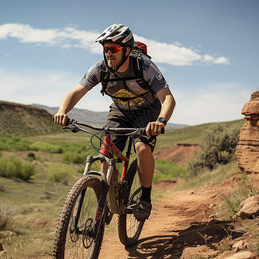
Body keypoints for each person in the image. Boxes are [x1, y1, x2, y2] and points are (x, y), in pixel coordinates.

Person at [53, 24, 176, 221]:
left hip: (147, 112)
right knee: (106, 154)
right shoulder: (100, 68)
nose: (108, 53)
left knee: (142, 149)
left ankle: (145, 198)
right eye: (106, 49)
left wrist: (160, 121)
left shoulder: (144, 66)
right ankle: (107, 199)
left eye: (114, 49)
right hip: (120, 111)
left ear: (127, 50)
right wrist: (62, 111)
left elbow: (168, 98)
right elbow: (76, 92)